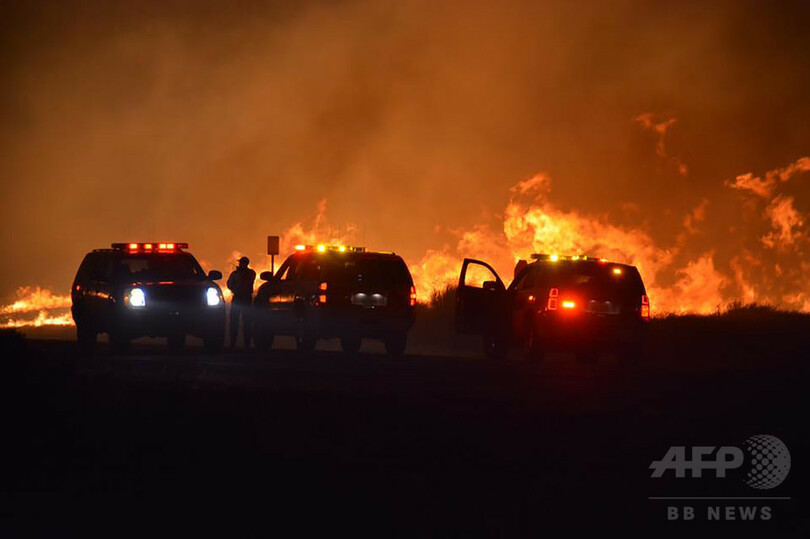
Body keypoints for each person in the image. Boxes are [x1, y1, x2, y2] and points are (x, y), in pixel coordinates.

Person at [227, 256, 256, 349]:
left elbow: (230, 284)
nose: (239, 264)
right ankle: (237, 343)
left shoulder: (244, 273)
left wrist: (236, 288)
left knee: (243, 321)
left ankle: (241, 343)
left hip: (241, 298)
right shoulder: (246, 273)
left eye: (241, 263)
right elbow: (229, 284)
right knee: (239, 321)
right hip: (242, 298)